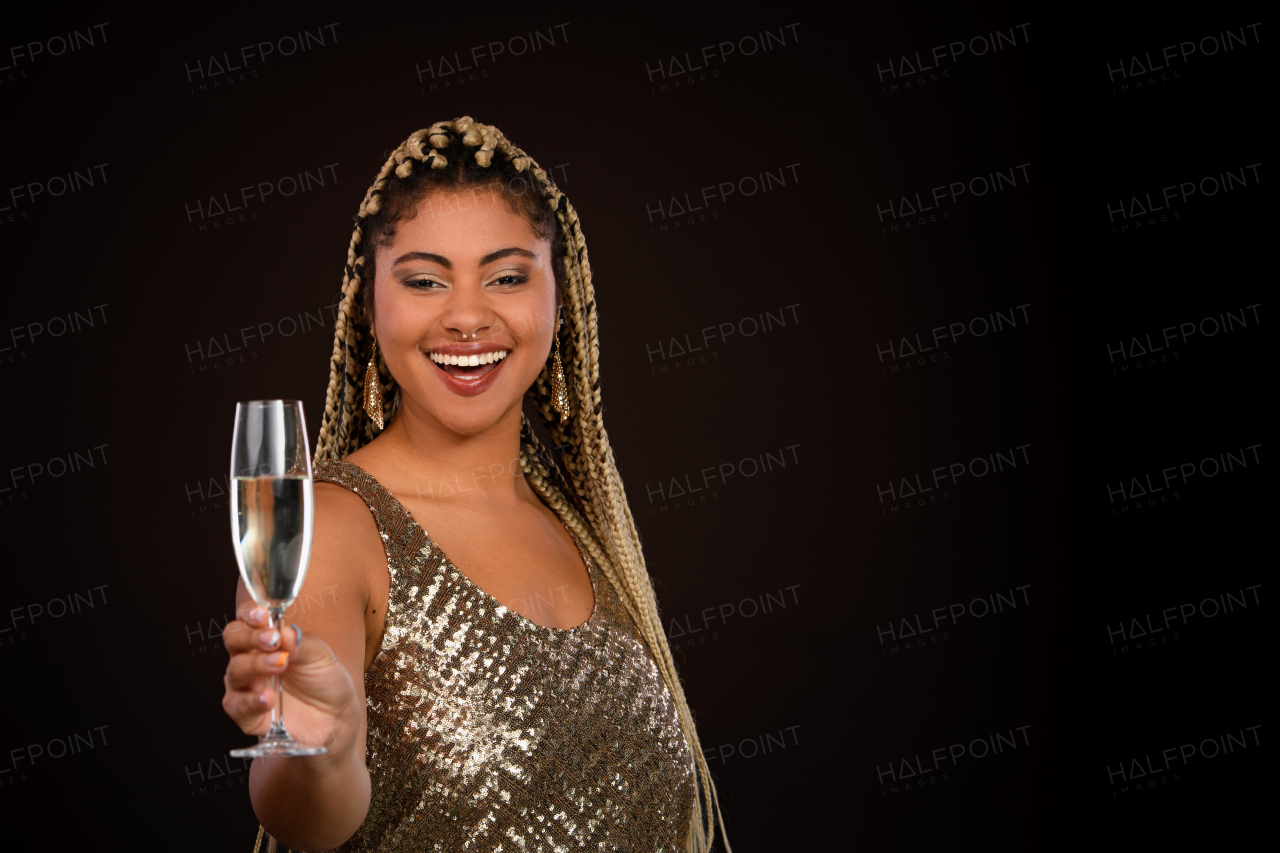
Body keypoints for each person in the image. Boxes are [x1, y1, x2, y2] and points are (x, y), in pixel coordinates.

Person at [220, 117, 731, 853]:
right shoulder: (330, 525)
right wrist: (320, 747)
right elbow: (306, 815)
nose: (466, 316)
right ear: (371, 306)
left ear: (562, 297)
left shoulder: (581, 526)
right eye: (425, 280)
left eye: (508, 276)